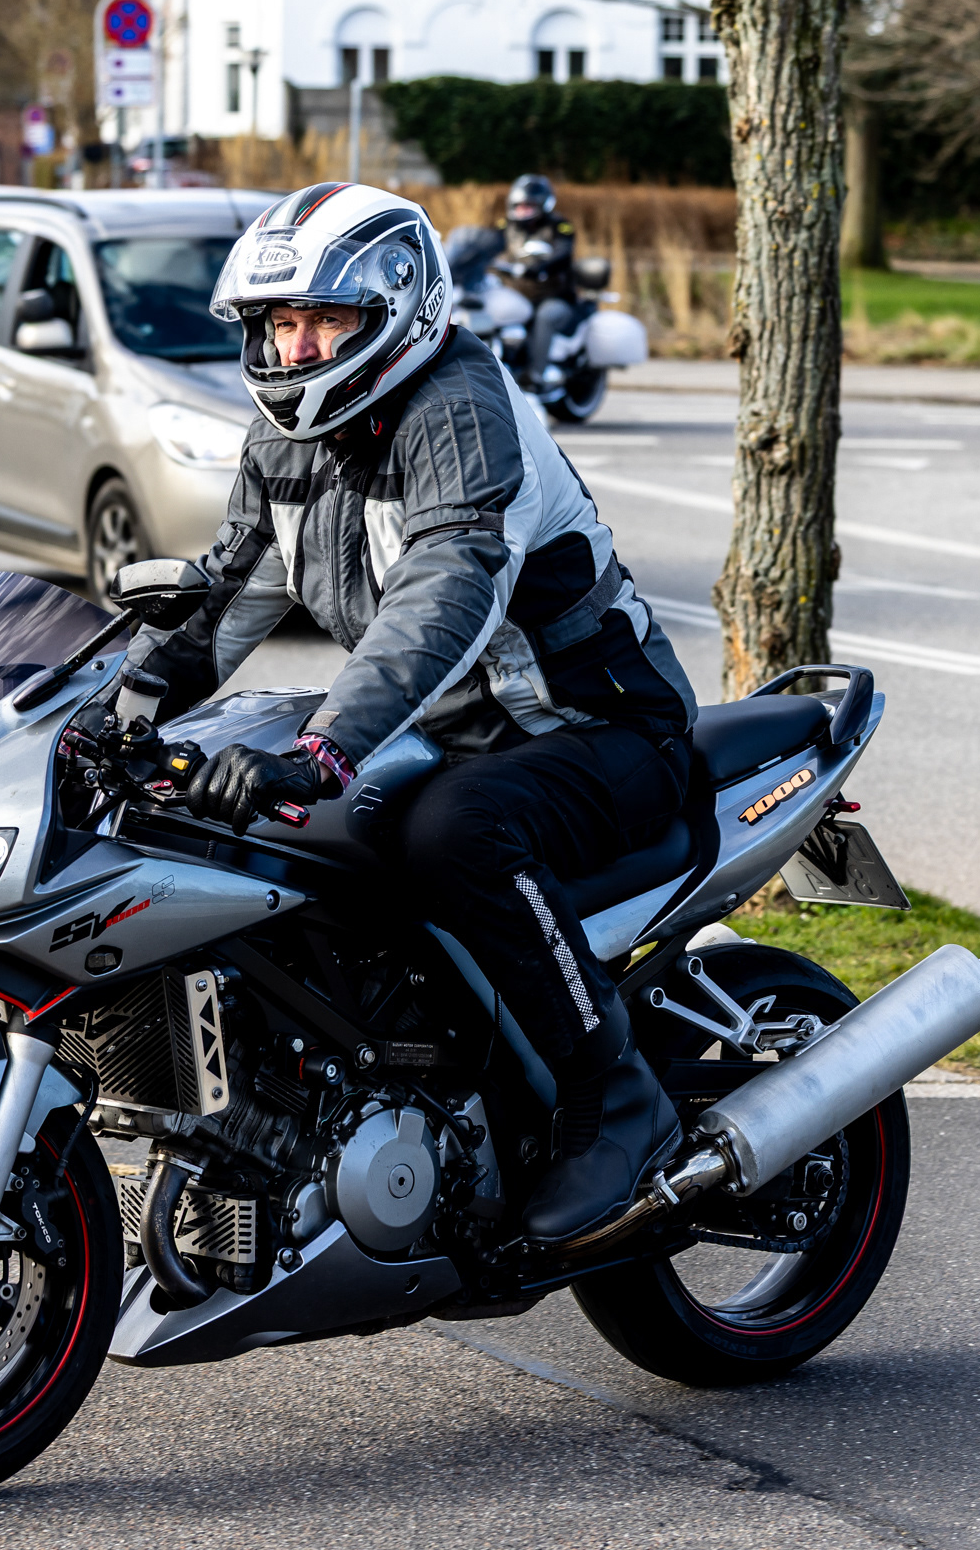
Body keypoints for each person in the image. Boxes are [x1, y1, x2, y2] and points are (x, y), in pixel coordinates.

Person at [124, 181, 697, 1246]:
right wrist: (103, 711)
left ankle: (616, 1099)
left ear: (396, 311)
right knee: (263, 838)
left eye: (324, 321)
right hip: (460, 736)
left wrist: (324, 749)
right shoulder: (287, 440)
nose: (296, 348)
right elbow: (224, 597)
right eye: (278, 324)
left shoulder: (464, 412)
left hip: (596, 730)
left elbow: (445, 592)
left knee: (448, 831)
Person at [501, 172, 583, 388]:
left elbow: (562, 253)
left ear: (543, 204)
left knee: (545, 316)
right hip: (518, 296)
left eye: (528, 206)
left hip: (555, 297)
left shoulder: (559, 226)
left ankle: (535, 375)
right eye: (519, 206)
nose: (523, 211)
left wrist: (540, 267)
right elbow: (488, 244)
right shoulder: (506, 227)